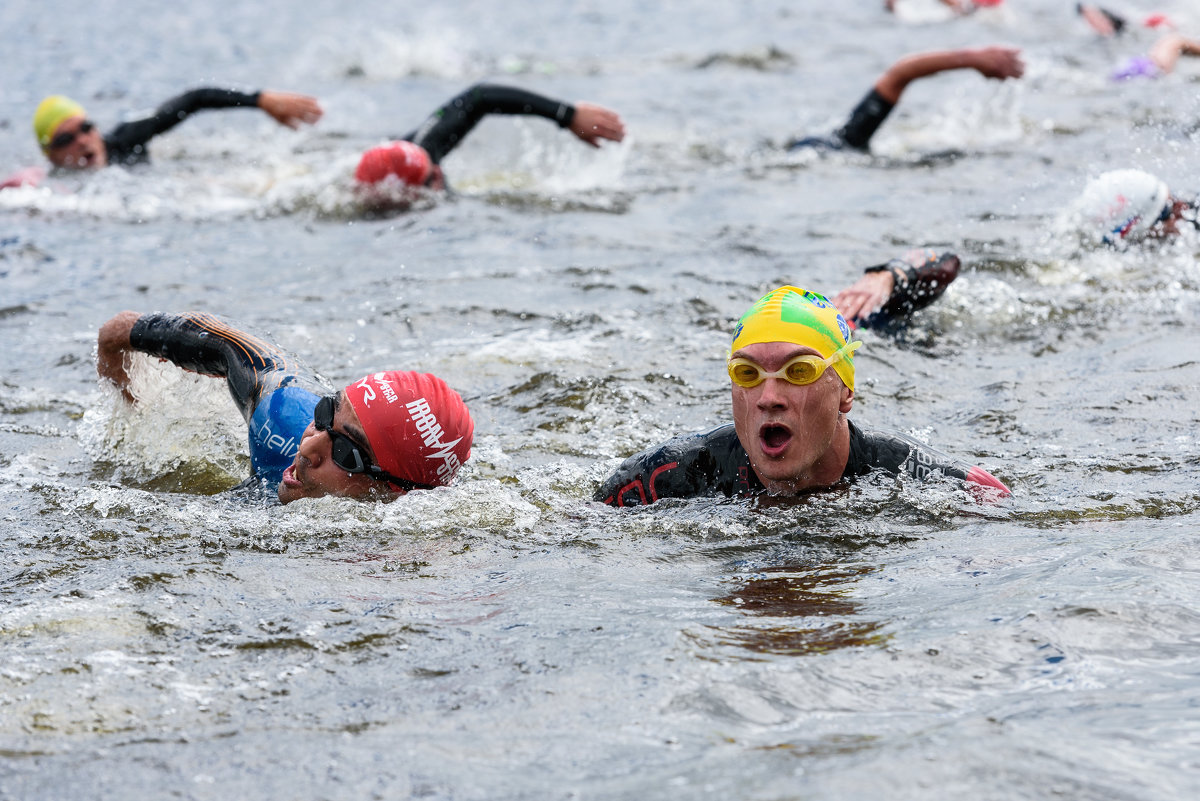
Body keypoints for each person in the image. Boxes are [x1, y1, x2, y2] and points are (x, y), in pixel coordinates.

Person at [595, 280, 1009, 507]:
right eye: (747, 373)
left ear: (845, 391)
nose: (768, 396)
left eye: (798, 371)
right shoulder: (670, 475)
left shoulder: (918, 478)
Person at [96, 311, 473, 505]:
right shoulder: (282, 414)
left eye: (345, 452)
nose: (308, 448)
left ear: (397, 493)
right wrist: (130, 412)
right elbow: (224, 342)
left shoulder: (406, 550)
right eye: (326, 414)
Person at [352, 82, 625, 191]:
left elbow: (478, 98)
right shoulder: (420, 183)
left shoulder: (417, 151)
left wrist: (567, 115)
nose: (439, 175)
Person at [787, 46, 1025, 153]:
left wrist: (974, 58)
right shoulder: (846, 143)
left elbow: (900, 73)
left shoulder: (843, 143)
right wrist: (973, 58)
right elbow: (900, 73)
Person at [29, 87, 322, 172]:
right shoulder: (47, 187)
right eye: (66, 138)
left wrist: (259, 100)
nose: (83, 141)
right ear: (50, 155)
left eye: (86, 127)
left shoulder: (126, 139)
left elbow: (193, 100)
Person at [1063, 168, 1197, 247]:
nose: (1179, 228)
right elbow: (1114, 240)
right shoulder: (1154, 203)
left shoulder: (1155, 189)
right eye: (1181, 221)